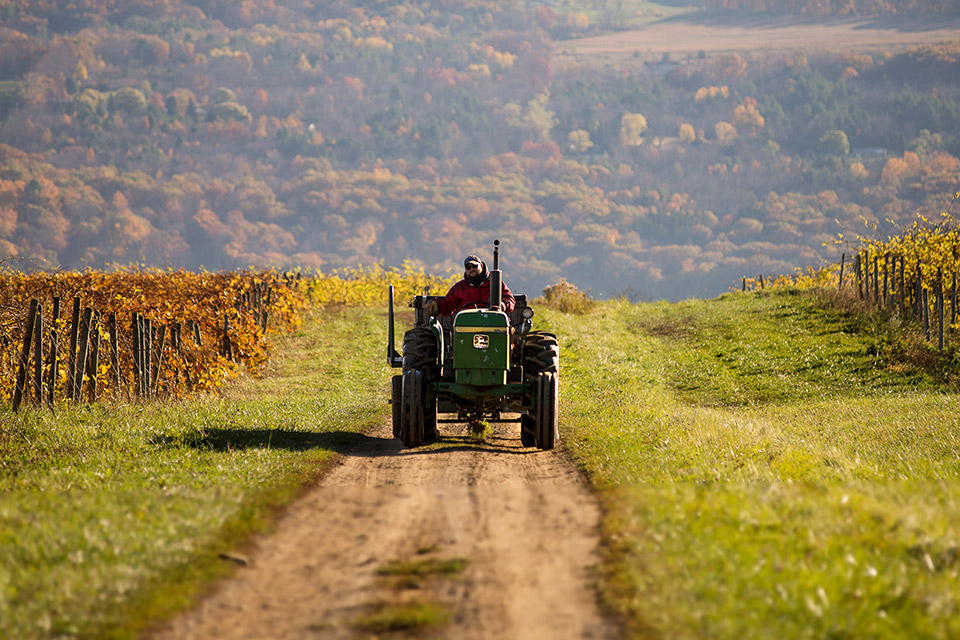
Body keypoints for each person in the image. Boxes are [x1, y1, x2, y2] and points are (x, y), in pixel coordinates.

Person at [429, 254, 515, 316]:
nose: (471, 269)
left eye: (474, 266)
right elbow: (448, 304)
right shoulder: (459, 288)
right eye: (468, 267)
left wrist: (502, 305)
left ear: (481, 265)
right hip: (467, 325)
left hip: (492, 323)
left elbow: (510, 299)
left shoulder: (495, 284)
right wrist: (438, 305)